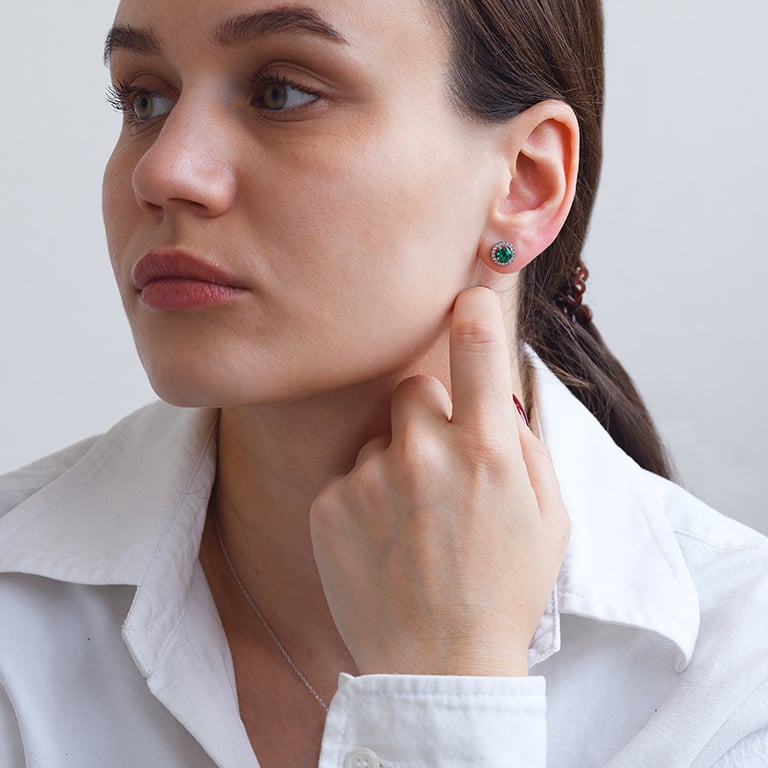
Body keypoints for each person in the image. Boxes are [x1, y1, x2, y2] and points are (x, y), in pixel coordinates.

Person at [1, 0, 766, 766]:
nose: (162, 171)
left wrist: (448, 687)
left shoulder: (737, 683)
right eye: (145, 100)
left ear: (525, 184)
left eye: (280, 93)